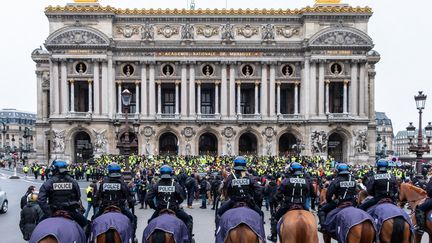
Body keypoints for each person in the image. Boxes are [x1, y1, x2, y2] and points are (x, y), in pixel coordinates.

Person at [145, 165, 194, 242]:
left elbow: (148, 198)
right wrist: (176, 202)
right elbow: (182, 198)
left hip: (160, 210)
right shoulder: (175, 184)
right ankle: (188, 240)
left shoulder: (157, 185)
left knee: (150, 222)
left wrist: (154, 207)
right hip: (174, 209)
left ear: (161, 173)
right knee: (188, 220)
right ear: (171, 173)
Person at [37, 161, 89, 233]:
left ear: (54, 170)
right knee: (86, 225)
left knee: (37, 227)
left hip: (53, 211)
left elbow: (41, 200)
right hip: (71, 211)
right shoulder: (73, 182)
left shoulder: (49, 182)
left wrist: (49, 213)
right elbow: (78, 196)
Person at [267, 162, 310, 242]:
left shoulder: (286, 181)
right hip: (302, 205)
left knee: (275, 218)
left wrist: (280, 201)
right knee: (311, 217)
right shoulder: (306, 181)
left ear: (291, 170)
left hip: (288, 205)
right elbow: (309, 193)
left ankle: (274, 235)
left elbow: (278, 195)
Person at [216, 156, 264, 226]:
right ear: (245, 166)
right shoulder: (249, 177)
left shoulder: (230, 177)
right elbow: (258, 190)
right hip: (248, 202)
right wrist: (254, 200)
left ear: (235, 165)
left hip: (233, 202)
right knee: (261, 214)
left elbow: (226, 189)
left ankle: (218, 232)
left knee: (219, 213)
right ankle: (261, 235)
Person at [94, 163, 137, 239]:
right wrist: (131, 203)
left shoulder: (103, 183)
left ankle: (92, 238)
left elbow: (98, 197)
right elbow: (129, 198)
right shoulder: (122, 184)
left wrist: (96, 203)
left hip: (104, 207)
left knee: (93, 220)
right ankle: (133, 237)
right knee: (133, 219)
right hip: (120, 208)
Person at [317, 163, 357, 233]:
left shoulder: (336, 181)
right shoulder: (353, 180)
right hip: (352, 202)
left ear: (338, 171)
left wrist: (331, 202)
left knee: (321, 209)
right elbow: (355, 191)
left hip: (339, 202)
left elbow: (329, 195)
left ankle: (323, 227)